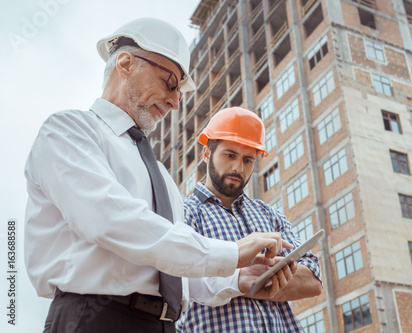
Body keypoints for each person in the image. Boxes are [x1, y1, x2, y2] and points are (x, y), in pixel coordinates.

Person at [24, 18, 294, 333]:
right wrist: (232, 252)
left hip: (162, 325)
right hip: (94, 319)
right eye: (170, 83)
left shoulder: (161, 176)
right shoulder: (69, 131)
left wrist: (235, 278)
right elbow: (111, 221)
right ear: (125, 63)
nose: (176, 102)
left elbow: (170, 264)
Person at [176, 107, 323, 332]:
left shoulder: (269, 215)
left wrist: (251, 277)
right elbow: (178, 279)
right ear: (206, 153)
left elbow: (313, 280)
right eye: (230, 155)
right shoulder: (183, 214)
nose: (238, 168)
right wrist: (244, 278)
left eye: (248, 160)